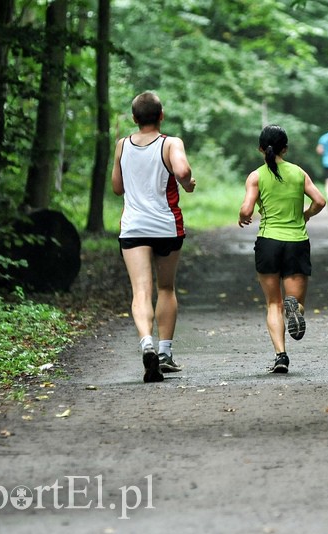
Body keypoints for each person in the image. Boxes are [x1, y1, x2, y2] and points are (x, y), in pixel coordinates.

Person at [111, 91, 196, 383]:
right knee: (167, 288)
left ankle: (145, 341)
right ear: (161, 116)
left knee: (141, 291)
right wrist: (187, 182)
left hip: (133, 227)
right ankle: (164, 352)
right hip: (166, 226)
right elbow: (182, 170)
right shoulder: (170, 143)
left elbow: (117, 188)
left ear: (135, 118)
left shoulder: (122, 145)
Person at [239, 124, 326, 373]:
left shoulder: (256, 176)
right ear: (285, 149)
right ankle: (295, 309)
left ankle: (281, 356)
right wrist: (307, 214)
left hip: (268, 243)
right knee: (294, 301)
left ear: (260, 149)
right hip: (296, 242)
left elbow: (246, 210)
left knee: (273, 304)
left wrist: (243, 216)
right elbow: (320, 201)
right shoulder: (298, 173)